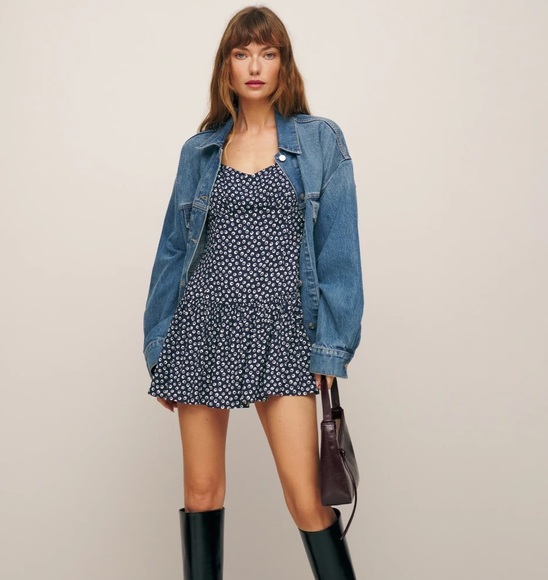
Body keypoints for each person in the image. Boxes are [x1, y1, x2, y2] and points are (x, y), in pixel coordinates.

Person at [143, 6, 363, 579]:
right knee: (201, 490)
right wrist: (160, 344)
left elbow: (339, 253)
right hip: (201, 327)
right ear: (227, 67)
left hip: (284, 331)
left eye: (268, 53)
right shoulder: (199, 151)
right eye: (242, 54)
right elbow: (172, 252)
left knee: (306, 498)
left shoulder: (319, 141)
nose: (255, 66)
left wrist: (330, 348)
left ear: (284, 63)